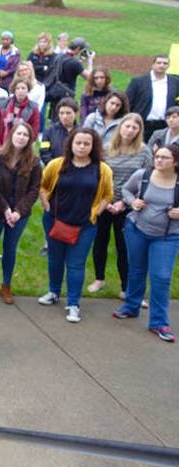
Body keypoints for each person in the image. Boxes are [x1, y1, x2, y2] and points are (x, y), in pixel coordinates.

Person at [38, 128, 113, 323]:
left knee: (76, 264)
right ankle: (53, 292)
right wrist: (46, 205)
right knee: (55, 259)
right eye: (78, 142)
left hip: (84, 225)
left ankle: (73, 304)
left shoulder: (102, 169)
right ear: (71, 143)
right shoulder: (57, 165)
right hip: (55, 221)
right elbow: (43, 186)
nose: (81, 147)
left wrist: (96, 213)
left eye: (86, 144)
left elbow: (107, 195)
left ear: (93, 146)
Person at [115, 143, 179, 342]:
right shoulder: (143, 175)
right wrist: (132, 202)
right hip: (137, 230)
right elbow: (126, 190)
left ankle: (159, 322)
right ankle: (131, 306)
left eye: (164, 157)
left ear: (175, 161)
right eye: (157, 156)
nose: (158, 160)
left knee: (161, 277)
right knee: (136, 269)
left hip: (167, 236)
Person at [87, 113, 151, 298]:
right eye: (127, 126)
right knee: (100, 241)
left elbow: (147, 180)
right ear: (120, 127)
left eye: (134, 128)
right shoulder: (105, 149)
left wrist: (124, 202)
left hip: (129, 206)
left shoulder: (144, 151)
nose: (130, 130)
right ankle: (99, 278)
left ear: (139, 131)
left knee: (124, 246)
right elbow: (97, 176)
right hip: (105, 203)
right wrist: (105, 202)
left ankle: (126, 286)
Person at [0, 123, 41, 304]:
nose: (21, 137)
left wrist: (18, 211)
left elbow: (34, 190)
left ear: (30, 139)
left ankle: (6, 285)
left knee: (10, 249)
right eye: (18, 134)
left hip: (19, 214)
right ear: (11, 135)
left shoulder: (34, 162)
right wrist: (5, 209)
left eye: (25, 135)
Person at [125, 55, 179, 141]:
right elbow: (127, 102)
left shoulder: (175, 82)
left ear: (168, 66)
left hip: (165, 124)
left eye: (165, 63)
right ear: (153, 65)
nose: (162, 65)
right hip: (143, 123)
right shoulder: (139, 81)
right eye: (159, 63)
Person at [0, 78, 40, 148]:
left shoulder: (33, 107)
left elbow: (34, 131)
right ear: (14, 90)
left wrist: (23, 146)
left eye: (23, 88)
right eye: (17, 88)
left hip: (23, 147)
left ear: (28, 90)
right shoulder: (2, 104)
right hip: (1, 145)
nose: (20, 91)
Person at [41, 98, 79, 166]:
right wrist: (55, 166)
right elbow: (44, 151)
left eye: (68, 113)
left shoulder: (83, 132)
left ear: (76, 113)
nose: (64, 116)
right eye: (61, 113)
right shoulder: (49, 131)